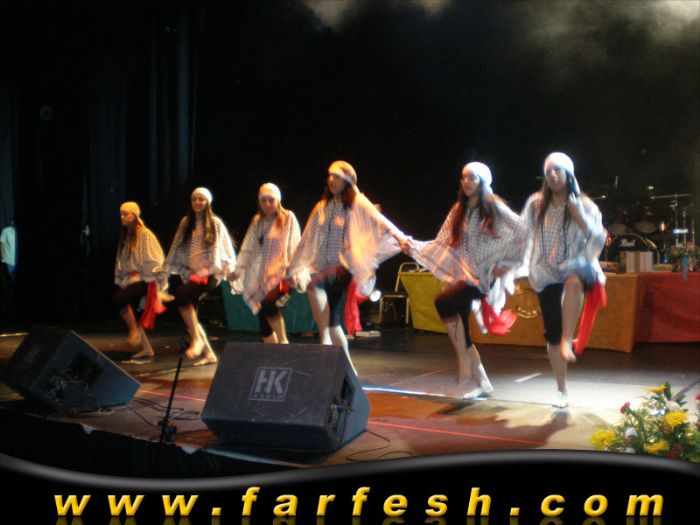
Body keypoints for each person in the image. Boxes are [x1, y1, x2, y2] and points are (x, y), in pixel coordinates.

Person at [403, 162, 525, 399]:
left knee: (443, 302)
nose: (466, 182)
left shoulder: (494, 206)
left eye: (472, 178)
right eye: (463, 177)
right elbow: (441, 242)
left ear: (483, 182)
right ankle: (483, 382)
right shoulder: (459, 209)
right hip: (464, 275)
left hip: (484, 278)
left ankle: (462, 359)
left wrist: (507, 264)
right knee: (464, 331)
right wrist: (413, 247)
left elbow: (523, 231)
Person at [286, 161, 407, 373]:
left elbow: (381, 221)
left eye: (337, 176)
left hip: (344, 268)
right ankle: (348, 369)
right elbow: (306, 240)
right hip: (323, 267)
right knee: (334, 324)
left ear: (348, 180)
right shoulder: (321, 207)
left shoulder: (357, 203)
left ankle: (325, 341)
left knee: (314, 284)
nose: (331, 180)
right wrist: (292, 268)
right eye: (329, 176)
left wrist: (401, 238)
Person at [521, 152, 607, 408]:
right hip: (546, 273)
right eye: (548, 171)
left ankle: (568, 340)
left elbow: (598, 240)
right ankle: (561, 389)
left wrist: (579, 216)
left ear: (568, 174)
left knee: (572, 280)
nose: (552, 175)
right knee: (552, 334)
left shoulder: (585, 205)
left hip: (580, 265)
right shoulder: (536, 204)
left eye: (557, 170)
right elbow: (520, 233)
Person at [163, 187, 237, 366]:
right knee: (191, 315)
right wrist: (166, 267)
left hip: (210, 273)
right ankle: (209, 354)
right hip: (193, 274)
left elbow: (224, 248)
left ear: (208, 202)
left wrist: (229, 268)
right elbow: (177, 247)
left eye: (201, 199)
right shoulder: (186, 222)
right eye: (194, 199)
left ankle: (197, 339)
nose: (197, 202)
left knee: (182, 296)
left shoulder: (215, 222)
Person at [230, 183, 301, 344]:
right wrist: (237, 270)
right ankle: (274, 351)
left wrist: (293, 271)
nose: (267, 204)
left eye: (271, 200)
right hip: (263, 275)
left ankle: (283, 343)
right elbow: (247, 248)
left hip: (281, 275)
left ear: (278, 200)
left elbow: (294, 246)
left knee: (268, 305)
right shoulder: (257, 221)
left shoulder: (288, 218)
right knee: (263, 318)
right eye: (264, 200)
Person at [113, 202, 166, 360]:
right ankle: (147, 348)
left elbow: (157, 258)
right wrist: (122, 276)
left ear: (134, 215)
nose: (122, 217)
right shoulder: (126, 236)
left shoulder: (145, 234)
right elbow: (121, 260)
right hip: (132, 279)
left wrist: (146, 274)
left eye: (126, 214)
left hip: (145, 279)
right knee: (125, 306)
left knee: (119, 299)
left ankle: (133, 330)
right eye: (121, 214)